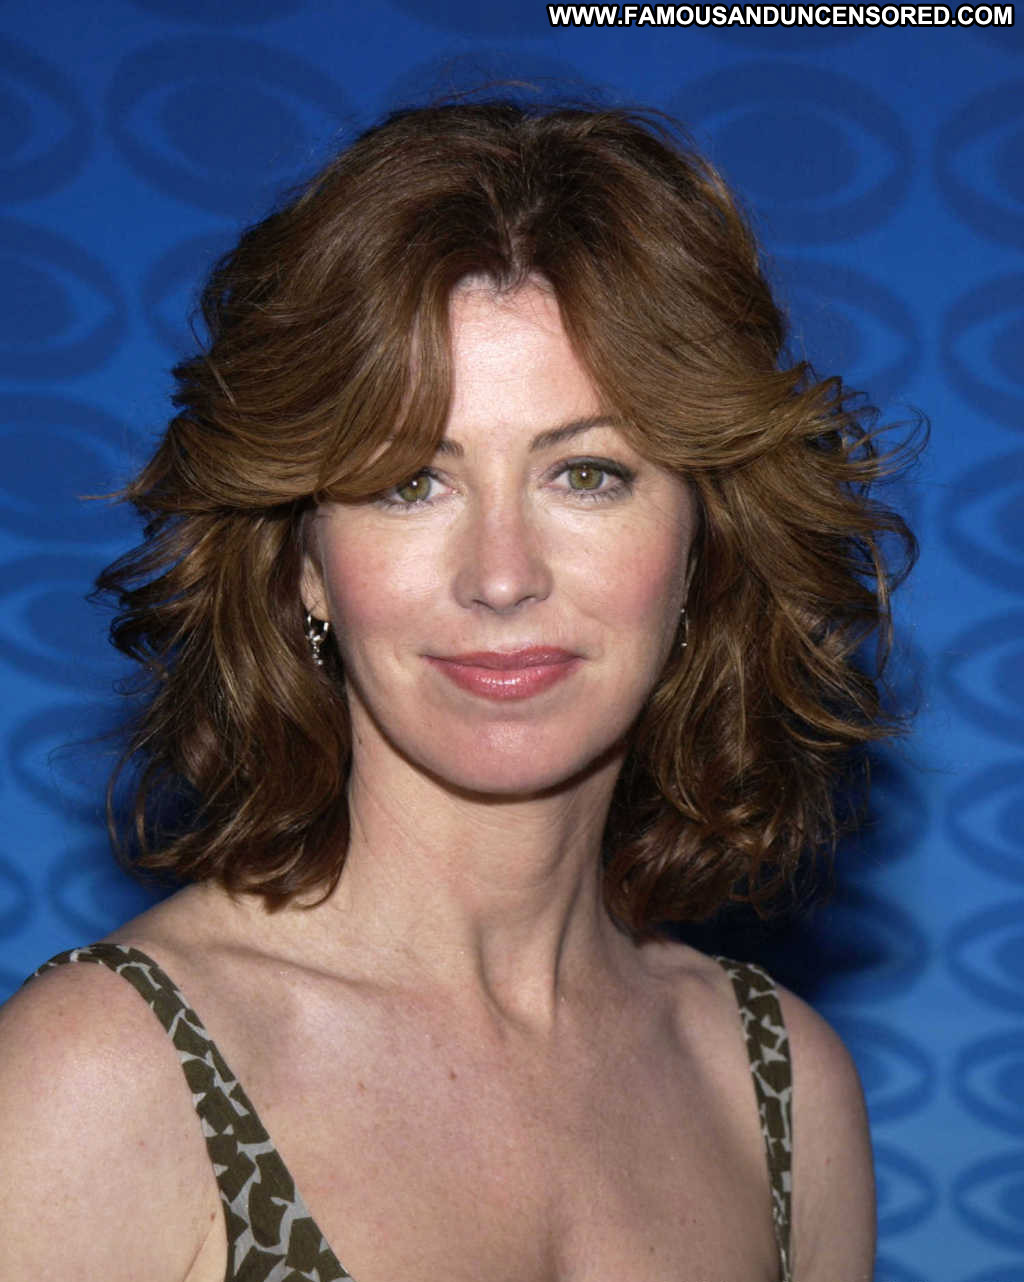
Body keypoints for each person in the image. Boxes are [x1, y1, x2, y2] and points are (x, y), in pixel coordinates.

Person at [0, 101, 916, 1282]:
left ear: (702, 544)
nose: (501, 575)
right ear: (304, 563)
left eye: (586, 474)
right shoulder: (104, 1080)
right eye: (407, 483)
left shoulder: (778, 1091)